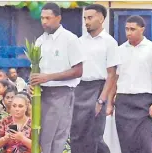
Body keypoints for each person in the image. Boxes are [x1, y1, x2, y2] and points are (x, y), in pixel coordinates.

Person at [29, 3, 84, 153]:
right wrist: (33, 82)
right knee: (42, 137)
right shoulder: (40, 40)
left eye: (48, 18)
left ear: (58, 18)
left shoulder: (70, 39)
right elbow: (36, 70)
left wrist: (48, 77)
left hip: (62, 93)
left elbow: (78, 71)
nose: (44, 22)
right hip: (41, 94)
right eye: (42, 18)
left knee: (56, 137)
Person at [112, 15, 152, 153]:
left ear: (142, 29)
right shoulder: (119, 50)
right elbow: (114, 78)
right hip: (123, 100)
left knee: (145, 142)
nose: (128, 32)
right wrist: (109, 101)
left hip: (143, 101)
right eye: (126, 29)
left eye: (132, 29)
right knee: (125, 142)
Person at [70, 4, 119, 153]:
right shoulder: (78, 41)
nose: (86, 22)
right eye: (85, 18)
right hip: (78, 89)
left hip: (98, 89)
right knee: (76, 133)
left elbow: (112, 74)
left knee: (93, 134)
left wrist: (101, 100)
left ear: (101, 18)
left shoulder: (109, 42)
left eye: (90, 18)